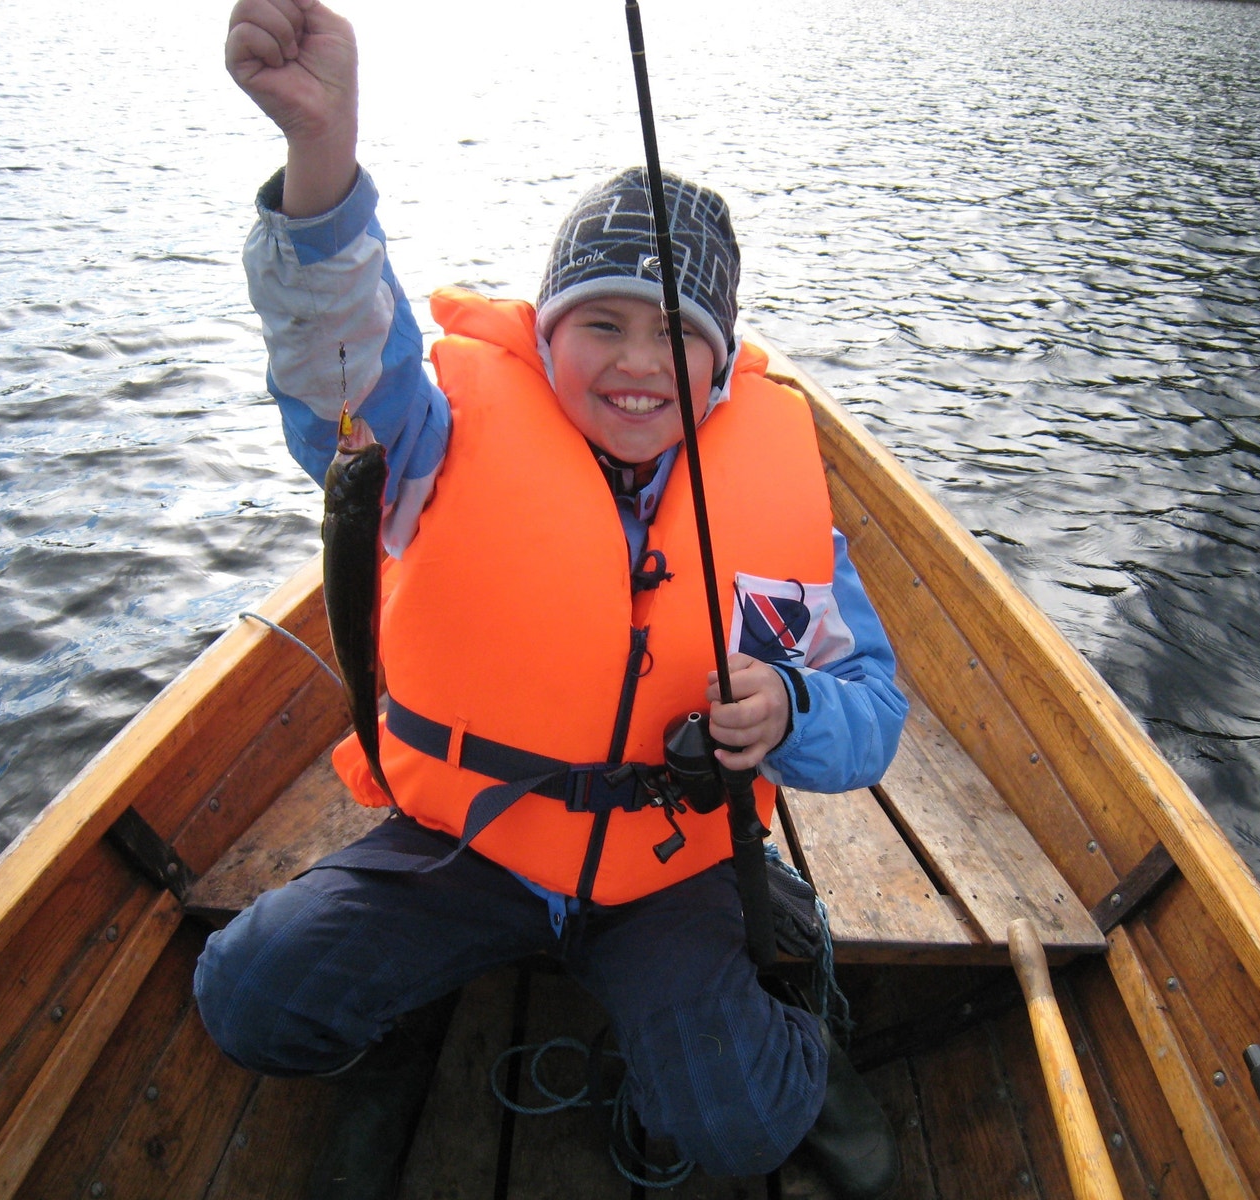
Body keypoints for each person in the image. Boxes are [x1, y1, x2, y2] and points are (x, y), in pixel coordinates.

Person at [197, 1, 910, 1197]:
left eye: (675, 336)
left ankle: (790, 1031)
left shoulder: (778, 513)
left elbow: (872, 708)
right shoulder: (420, 442)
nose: (637, 364)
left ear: (722, 364)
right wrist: (320, 155)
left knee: (739, 1130)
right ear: (541, 331)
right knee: (247, 999)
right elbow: (339, 357)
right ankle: (408, 1012)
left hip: (668, 864)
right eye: (601, 325)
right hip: (467, 842)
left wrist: (792, 709)